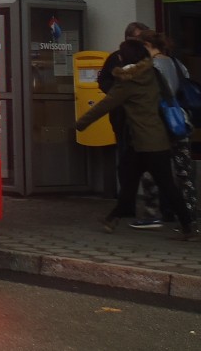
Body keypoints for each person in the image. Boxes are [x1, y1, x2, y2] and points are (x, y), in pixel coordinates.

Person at [75, 40, 197, 240]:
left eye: (121, 54)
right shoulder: (153, 73)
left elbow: (105, 104)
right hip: (150, 139)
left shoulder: (128, 81)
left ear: (126, 57)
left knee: (164, 183)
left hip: (147, 143)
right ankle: (113, 218)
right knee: (129, 178)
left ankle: (187, 227)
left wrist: (80, 124)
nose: (119, 57)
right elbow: (167, 98)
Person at [132, 31, 198, 230]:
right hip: (180, 122)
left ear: (147, 45)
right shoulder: (178, 64)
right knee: (184, 171)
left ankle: (153, 213)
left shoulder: (151, 67)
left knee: (152, 169)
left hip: (160, 123)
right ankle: (188, 214)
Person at [97, 21, 148, 202]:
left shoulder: (149, 59)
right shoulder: (116, 58)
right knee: (126, 156)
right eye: (139, 38)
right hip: (122, 115)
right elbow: (103, 81)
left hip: (145, 117)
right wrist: (118, 94)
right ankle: (127, 201)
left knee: (149, 159)